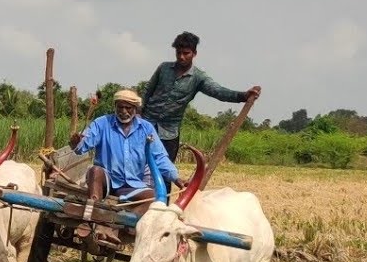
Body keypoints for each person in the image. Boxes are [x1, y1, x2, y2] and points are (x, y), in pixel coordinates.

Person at [142, 31, 261, 162]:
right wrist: (137, 113)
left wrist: (243, 96)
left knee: (165, 172)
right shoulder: (164, 68)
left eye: (186, 53)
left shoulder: (198, 77)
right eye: (178, 53)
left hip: (169, 133)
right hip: (146, 124)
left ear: (194, 54)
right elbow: (147, 91)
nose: (181, 57)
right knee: (138, 166)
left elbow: (218, 91)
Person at [70, 88, 182, 221]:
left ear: (135, 108)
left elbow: (160, 157)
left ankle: (119, 224)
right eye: (120, 107)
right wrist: (77, 143)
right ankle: (93, 213)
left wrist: (177, 179)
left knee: (154, 199)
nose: (123, 111)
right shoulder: (102, 123)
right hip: (106, 183)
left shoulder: (146, 129)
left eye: (128, 108)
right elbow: (83, 145)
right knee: (95, 171)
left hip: (132, 185)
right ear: (115, 107)